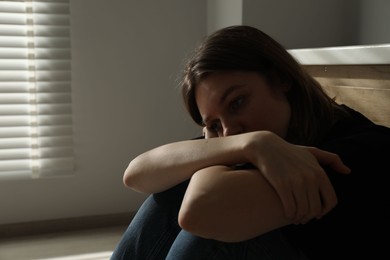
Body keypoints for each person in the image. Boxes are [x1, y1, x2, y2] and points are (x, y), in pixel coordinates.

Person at [111, 25, 390, 259]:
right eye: (214, 124)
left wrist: (237, 148)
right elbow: (136, 174)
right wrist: (252, 144)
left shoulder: (361, 148)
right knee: (168, 193)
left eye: (238, 102)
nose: (230, 132)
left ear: (281, 78)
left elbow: (201, 209)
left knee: (214, 234)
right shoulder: (249, 139)